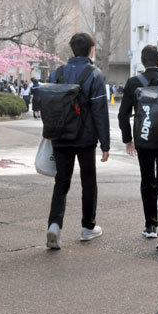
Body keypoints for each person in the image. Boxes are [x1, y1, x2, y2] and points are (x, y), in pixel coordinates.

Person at [45, 32, 110, 249]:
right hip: (85, 137)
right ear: (92, 49)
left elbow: (48, 106)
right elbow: (100, 111)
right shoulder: (94, 74)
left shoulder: (57, 73)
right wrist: (105, 144)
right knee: (88, 180)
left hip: (60, 136)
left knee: (61, 182)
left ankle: (54, 225)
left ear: (71, 49)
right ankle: (87, 227)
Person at [118, 45, 158, 250]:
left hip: (144, 140)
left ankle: (150, 224)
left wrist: (128, 139)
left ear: (143, 61)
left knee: (147, 181)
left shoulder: (133, 83)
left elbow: (122, 114)